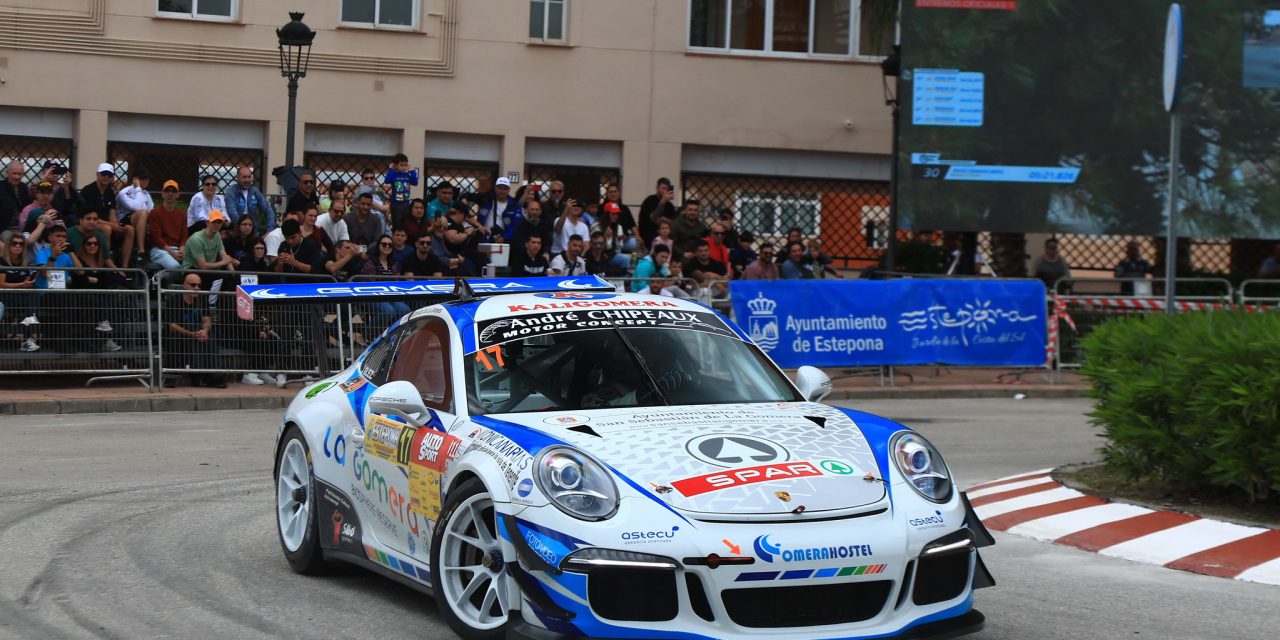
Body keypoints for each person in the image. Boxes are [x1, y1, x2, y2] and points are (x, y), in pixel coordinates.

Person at [163, 273, 223, 388]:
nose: (196, 288)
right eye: (193, 285)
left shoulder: (202, 298)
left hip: (197, 332)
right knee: (176, 338)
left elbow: (207, 319)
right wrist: (191, 334)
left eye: (199, 286)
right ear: (185, 285)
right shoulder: (175, 300)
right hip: (180, 333)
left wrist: (204, 331)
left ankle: (213, 376)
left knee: (211, 337)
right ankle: (181, 376)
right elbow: (172, 325)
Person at [70, 230, 124, 352]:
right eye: (89, 243)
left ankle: (107, 338)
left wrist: (92, 280)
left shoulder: (100, 262)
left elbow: (103, 281)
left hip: (98, 294)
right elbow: (79, 278)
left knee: (111, 299)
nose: (92, 246)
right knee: (99, 302)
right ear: (84, 245)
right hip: (81, 295)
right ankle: (103, 334)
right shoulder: (79, 260)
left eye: (95, 244)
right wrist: (91, 280)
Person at [1, 231, 40, 352]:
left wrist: (28, 283)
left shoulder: (25, 262)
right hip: (5, 296)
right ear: (9, 245)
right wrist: (21, 284)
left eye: (21, 244)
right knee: (29, 299)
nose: (17, 246)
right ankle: (29, 329)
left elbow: (26, 283)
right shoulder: (2, 261)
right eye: (14, 243)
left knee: (33, 292)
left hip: (21, 296)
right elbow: (1, 284)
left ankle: (29, 323)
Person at [115, 167, 153, 266]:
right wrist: (138, 189)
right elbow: (137, 208)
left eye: (147, 178)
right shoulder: (124, 192)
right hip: (123, 221)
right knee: (143, 212)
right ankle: (141, 250)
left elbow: (151, 211)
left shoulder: (147, 194)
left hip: (140, 222)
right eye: (142, 178)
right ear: (135, 179)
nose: (145, 181)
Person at [148, 180, 188, 270]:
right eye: (167, 191)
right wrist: (173, 253)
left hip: (178, 249)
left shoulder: (182, 214)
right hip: (159, 250)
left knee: (189, 267)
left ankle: (159, 278)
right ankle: (159, 280)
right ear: (162, 193)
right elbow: (156, 238)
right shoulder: (155, 213)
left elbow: (184, 237)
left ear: (178, 194)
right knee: (175, 267)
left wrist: (181, 251)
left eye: (173, 191)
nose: (170, 194)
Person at [224, 166, 277, 232]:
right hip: (236, 230)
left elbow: (268, 210)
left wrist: (270, 230)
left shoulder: (255, 191)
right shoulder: (231, 191)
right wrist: (243, 227)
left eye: (249, 177)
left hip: (254, 230)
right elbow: (232, 213)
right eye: (244, 177)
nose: (247, 180)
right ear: (237, 178)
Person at [444, 202, 488, 267]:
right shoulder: (449, 222)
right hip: (455, 255)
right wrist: (467, 233)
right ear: (459, 213)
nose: (464, 219)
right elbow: (453, 239)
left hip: (465, 253)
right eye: (464, 216)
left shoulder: (458, 224)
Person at [601, 184, 641, 253]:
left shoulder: (624, 208)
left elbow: (632, 224)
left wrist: (638, 236)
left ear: (619, 193)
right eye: (610, 192)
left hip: (624, 239)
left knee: (636, 243)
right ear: (607, 194)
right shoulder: (601, 208)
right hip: (606, 240)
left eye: (615, 191)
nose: (613, 194)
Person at [638, 177, 676, 245]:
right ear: (657, 188)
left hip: (664, 239)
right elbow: (654, 217)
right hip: (647, 237)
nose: (665, 191)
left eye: (667, 189)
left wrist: (666, 220)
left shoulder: (670, 205)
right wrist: (662, 202)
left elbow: (673, 222)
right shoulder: (650, 200)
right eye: (663, 188)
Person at [386, 153, 419, 226]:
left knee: (406, 224)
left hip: (406, 204)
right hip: (396, 204)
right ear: (396, 165)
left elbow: (415, 182)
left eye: (405, 165)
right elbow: (387, 180)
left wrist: (412, 171)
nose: (404, 167)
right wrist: (391, 169)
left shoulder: (408, 175)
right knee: (397, 224)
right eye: (401, 165)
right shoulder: (394, 175)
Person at [1, 160, 32, 231]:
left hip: (23, 227)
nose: (17, 177)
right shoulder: (1, 187)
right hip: (4, 228)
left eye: (19, 174)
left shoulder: (24, 187)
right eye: (14, 173)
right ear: (7, 173)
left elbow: (29, 206)